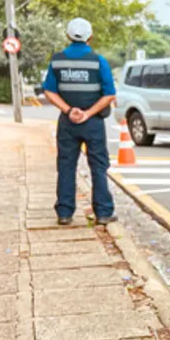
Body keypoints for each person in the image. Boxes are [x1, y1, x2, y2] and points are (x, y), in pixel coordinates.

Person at [42, 18, 117, 226]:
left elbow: (49, 91)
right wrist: (88, 113)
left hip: (68, 123)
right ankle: (103, 212)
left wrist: (68, 110)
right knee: (98, 166)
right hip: (93, 123)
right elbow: (110, 94)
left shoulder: (57, 61)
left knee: (66, 165)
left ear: (68, 36)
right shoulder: (98, 61)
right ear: (90, 36)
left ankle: (64, 213)